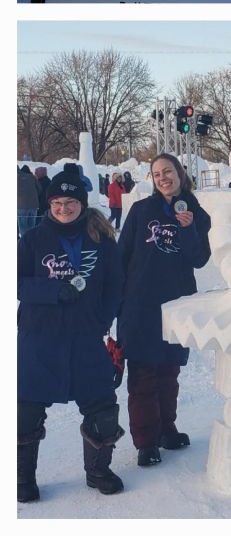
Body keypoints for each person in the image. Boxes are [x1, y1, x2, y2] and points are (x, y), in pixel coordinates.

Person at [18, 168, 125, 501]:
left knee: (102, 408)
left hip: (85, 337)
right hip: (40, 337)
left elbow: (114, 286)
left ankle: (98, 472)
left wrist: (101, 321)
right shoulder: (33, 238)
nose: (64, 208)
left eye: (71, 202)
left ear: (82, 202)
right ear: (49, 204)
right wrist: (52, 291)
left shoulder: (101, 238)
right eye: (57, 202)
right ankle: (21, 478)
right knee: (24, 411)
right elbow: (16, 282)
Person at [117, 153, 211, 467]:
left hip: (176, 303)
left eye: (167, 171)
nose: (163, 178)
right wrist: (116, 298)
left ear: (180, 173)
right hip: (140, 303)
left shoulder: (197, 213)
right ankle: (146, 441)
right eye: (156, 174)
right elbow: (122, 255)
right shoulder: (142, 210)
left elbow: (199, 259)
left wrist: (187, 228)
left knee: (169, 370)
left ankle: (166, 428)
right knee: (143, 374)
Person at [18, 165, 38, 235]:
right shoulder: (31, 177)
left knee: (23, 226)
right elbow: (39, 189)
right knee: (32, 226)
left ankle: (25, 243)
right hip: (34, 205)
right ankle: (31, 242)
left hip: (22, 205)